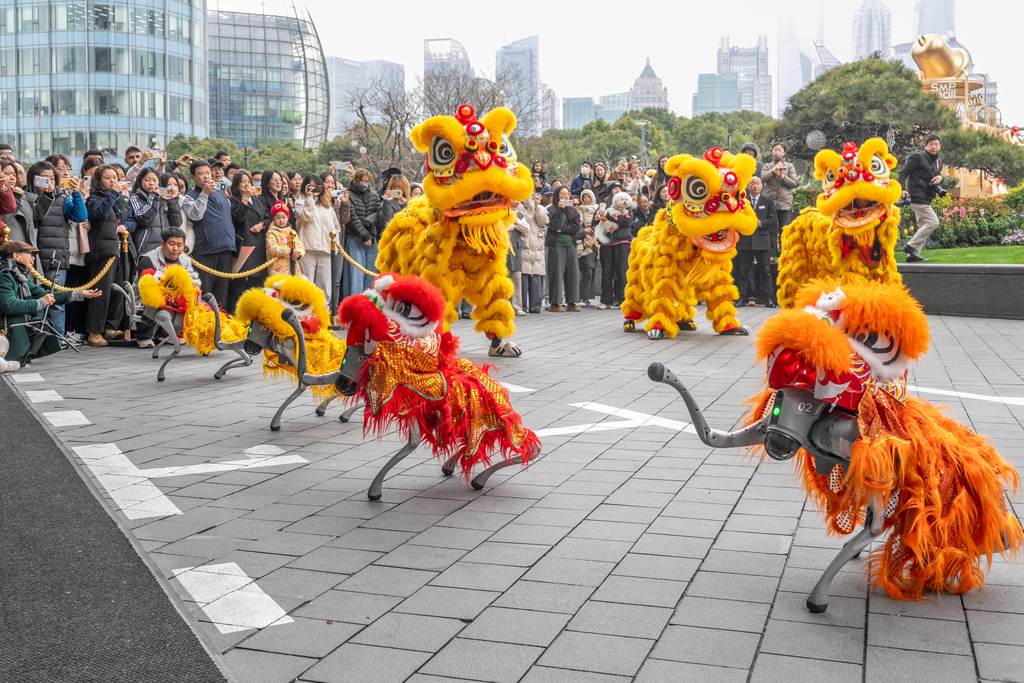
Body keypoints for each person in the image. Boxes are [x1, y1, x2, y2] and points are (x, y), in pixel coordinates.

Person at [0, 240, 100, 362]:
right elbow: (8, 305)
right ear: (16, 256)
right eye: (30, 254)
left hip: (15, 325)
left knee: (44, 326)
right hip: (5, 327)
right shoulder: (5, 276)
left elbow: (45, 295)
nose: (33, 258)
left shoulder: (20, 277)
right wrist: (40, 303)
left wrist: (79, 294)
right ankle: (15, 356)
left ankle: (23, 356)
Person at [28, 162, 87, 336]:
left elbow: (81, 216)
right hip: (31, 257)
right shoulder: (25, 196)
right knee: (35, 301)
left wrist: (76, 193)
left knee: (56, 302)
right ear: (34, 179)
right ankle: (36, 339)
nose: (49, 182)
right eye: (44, 178)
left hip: (55, 257)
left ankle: (57, 339)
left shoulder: (62, 198)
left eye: (52, 178)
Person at [85, 165, 136, 346]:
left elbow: (131, 220)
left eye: (115, 177)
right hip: (102, 251)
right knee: (101, 292)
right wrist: (112, 193)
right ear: (99, 181)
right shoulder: (94, 199)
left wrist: (127, 227)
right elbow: (98, 212)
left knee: (118, 291)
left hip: (120, 250)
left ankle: (111, 327)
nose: (113, 180)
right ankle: (95, 331)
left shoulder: (121, 200)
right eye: (108, 178)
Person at [135, 226, 201, 348]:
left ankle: (171, 333)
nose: (175, 248)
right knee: (154, 296)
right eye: (171, 244)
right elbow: (145, 287)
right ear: (163, 243)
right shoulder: (148, 259)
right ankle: (144, 336)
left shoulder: (186, 260)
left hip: (175, 296)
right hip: (150, 294)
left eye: (179, 245)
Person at [181, 161, 235, 307]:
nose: (206, 176)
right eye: (201, 173)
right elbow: (195, 215)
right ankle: (204, 326)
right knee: (205, 294)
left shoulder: (221, 193)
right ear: (192, 176)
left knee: (221, 294)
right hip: (205, 251)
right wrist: (204, 194)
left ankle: (220, 326)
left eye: (207, 172)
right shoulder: (189, 196)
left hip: (226, 247)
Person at [898, 134, 944, 262]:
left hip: (927, 196)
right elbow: (903, 173)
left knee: (924, 225)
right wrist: (903, 189)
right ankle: (911, 246)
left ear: (940, 146)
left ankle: (913, 255)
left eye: (937, 144)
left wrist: (940, 177)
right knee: (933, 222)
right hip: (917, 196)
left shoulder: (938, 162)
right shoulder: (917, 157)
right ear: (925, 146)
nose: (934, 147)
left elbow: (936, 176)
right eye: (931, 144)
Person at [295, 174, 341, 299]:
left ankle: (324, 312)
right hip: (307, 249)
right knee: (306, 283)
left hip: (326, 250)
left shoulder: (327, 205)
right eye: (311, 186)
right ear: (305, 187)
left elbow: (336, 227)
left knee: (325, 286)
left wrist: (334, 246)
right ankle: (306, 314)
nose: (314, 189)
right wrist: (309, 198)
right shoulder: (300, 202)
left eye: (317, 186)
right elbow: (307, 216)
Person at [735, 176, 778, 308]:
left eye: (758, 183)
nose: (755, 186)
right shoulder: (742, 201)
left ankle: (768, 299)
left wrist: (760, 223)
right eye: (752, 184)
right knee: (743, 271)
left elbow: (773, 220)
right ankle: (741, 298)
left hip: (762, 242)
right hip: (745, 242)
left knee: (765, 272)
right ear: (748, 186)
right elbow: (735, 218)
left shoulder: (768, 201)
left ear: (762, 186)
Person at [227, 169, 266, 306]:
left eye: (248, 181)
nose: (246, 184)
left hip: (258, 245)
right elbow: (238, 218)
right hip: (244, 246)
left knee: (256, 284)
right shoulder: (233, 201)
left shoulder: (257, 200)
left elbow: (267, 218)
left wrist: (262, 225)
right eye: (242, 182)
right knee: (240, 286)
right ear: (236, 185)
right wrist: (245, 199)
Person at [343, 169, 381, 298]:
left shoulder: (374, 195)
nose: (364, 183)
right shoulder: (349, 195)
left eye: (366, 181)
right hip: (355, 238)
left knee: (371, 274)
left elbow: (378, 212)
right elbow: (352, 217)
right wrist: (364, 234)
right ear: (355, 181)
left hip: (372, 238)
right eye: (361, 180)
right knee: (356, 276)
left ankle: (371, 304)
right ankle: (355, 304)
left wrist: (369, 221)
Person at [130, 167, 181, 260]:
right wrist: (154, 197)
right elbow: (143, 218)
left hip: (165, 247)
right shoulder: (135, 198)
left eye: (154, 180)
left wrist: (172, 201)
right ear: (140, 181)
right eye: (147, 180)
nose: (151, 183)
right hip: (145, 247)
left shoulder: (163, 199)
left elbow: (176, 223)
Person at [594, 194, 635, 310]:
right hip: (606, 244)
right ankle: (606, 301)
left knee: (622, 273)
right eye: (614, 189)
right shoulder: (604, 204)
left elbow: (627, 222)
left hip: (622, 243)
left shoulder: (628, 209)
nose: (623, 202)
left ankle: (624, 300)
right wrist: (603, 218)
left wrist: (608, 217)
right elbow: (596, 220)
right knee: (606, 272)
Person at [545, 186, 582, 312]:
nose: (566, 196)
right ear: (557, 195)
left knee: (572, 274)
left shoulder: (574, 210)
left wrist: (564, 230)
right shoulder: (551, 209)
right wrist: (560, 210)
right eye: (563, 194)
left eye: (567, 194)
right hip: (556, 244)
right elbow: (555, 225)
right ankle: (554, 303)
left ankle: (572, 302)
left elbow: (577, 227)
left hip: (571, 244)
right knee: (556, 273)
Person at [519, 193, 548, 314]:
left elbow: (544, 221)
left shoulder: (540, 207)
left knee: (536, 275)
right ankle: (523, 306)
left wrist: (536, 207)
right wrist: (530, 209)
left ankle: (536, 306)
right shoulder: (519, 207)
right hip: (524, 244)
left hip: (537, 245)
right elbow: (524, 221)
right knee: (523, 276)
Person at [760, 143, 798, 233]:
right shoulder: (767, 166)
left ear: (784, 152)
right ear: (772, 152)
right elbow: (763, 178)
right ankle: (771, 248)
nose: (777, 152)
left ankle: (784, 247)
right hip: (770, 203)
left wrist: (781, 176)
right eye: (775, 150)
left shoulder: (789, 166)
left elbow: (793, 183)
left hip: (785, 203)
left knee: (785, 231)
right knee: (770, 231)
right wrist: (774, 170)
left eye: (779, 150)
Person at [1, 160, 35, 247]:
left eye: (14, 175)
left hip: (24, 245)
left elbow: (37, 215)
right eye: (7, 174)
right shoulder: (16, 195)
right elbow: (6, 218)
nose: (12, 178)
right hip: (9, 246)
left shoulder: (20, 194)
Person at [265, 201, 304, 275]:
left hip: (293, 268)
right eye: (278, 218)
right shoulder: (271, 233)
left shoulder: (292, 232)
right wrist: (290, 251)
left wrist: (298, 254)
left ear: (288, 218)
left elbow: (300, 246)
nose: (281, 220)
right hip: (277, 270)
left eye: (284, 217)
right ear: (273, 219)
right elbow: (272, 248)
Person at [577, 189, 600, 305]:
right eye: (584, 197)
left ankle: (587, 296)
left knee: (592, 269)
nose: (586, 199)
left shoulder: (597, 208)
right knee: (587, 271)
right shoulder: (580, 209)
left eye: (588, 197)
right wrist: (585, 229)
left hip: (595, 239)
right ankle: (581, 294)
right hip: (584, 241)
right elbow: (580, 223)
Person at [506, 201, 528, 316]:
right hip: (503, 249)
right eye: (513, 202)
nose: (516, 204)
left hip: (516, 249)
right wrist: (514, 226)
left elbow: (526, 228)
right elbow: (501, 227)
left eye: (517, 202)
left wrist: (516, 219)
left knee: (516, 278)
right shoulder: (500, 213)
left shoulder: (520, 214)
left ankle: (517, 307)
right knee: (503, 278)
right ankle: (505, 306)